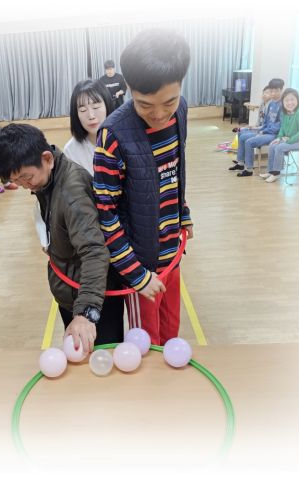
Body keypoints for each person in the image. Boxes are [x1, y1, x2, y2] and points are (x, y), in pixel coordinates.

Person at [92, 29, 194, 346]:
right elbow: (106, 214)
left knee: (171, 331)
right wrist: (136, 274)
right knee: (148, 345)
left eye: (169, 101)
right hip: (142, 267)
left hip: (172, 254)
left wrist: (183, 213)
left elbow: (174, 171)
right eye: (145, 104)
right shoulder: (113, 136)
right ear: (129, 90)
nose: (159, 114)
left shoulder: (181, 111)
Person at [0, 123, 125, 353]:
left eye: (26, 177)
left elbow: (94, 251)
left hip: (91, 296)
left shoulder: (72, 194)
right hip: (72, 290)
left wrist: (85, 313)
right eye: (17, 181)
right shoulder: (49, 178)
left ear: (47, 158)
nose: (24, 186)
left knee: (101, 359)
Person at [262, 88, 299, 183]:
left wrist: (288, 140)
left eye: (292, 99)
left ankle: (275, 173)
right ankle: (271, 171)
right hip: (296, 137)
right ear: (283, 101)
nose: (290, 103)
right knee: (273, 145)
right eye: (286, 100)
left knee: (280, 147)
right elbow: (283, 127)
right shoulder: (285, 111)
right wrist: (279, 138)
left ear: (297, 99)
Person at [229, 80, 284, 177]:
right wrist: (261, 130)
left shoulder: (282, 105)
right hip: (266, 131)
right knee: (242, 137)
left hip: (274, 134)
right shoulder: (271, 104)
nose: (273, 93)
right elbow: (266, 121)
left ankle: (249, 170)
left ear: (281, 90)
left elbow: (279, 126)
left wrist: (264, 131)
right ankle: (241, 163)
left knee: (249, 142)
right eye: (272, 91)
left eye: (276, 91)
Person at [63, 79, 114, 175]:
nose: (91, 116)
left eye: (96, 107)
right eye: (83, 110)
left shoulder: (122, 141)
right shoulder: (71, 150)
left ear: (107, 106)